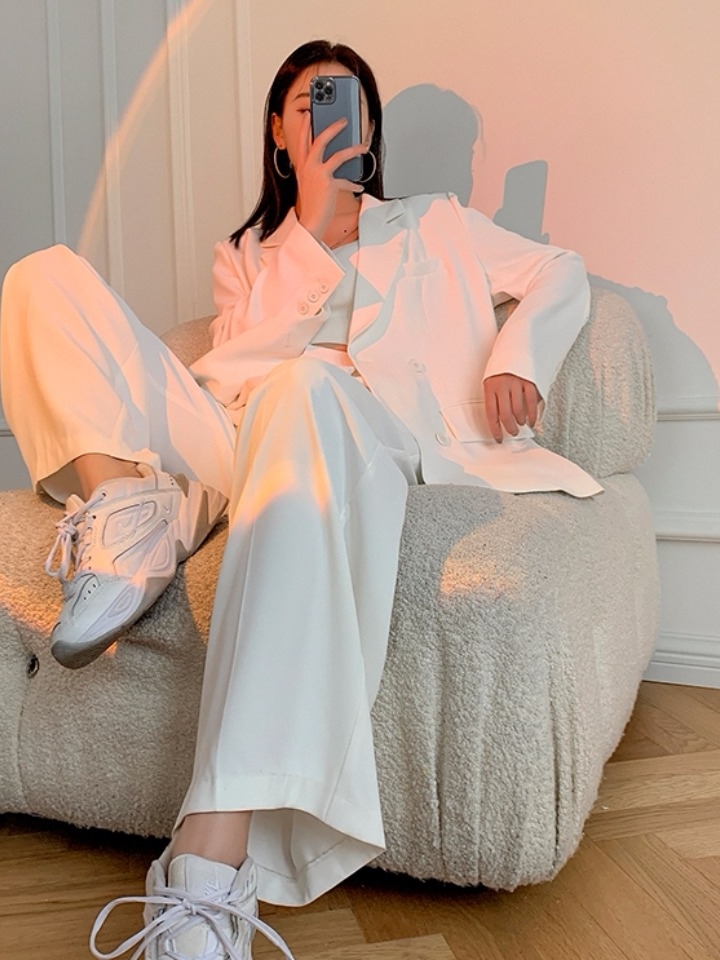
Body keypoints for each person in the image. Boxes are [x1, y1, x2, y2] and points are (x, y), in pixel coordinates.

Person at [0, 38, 602, 960]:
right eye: (310, 102)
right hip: (237, 431)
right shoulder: (248, 255)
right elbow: (236, 363)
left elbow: (561, 270)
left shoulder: (437, 223)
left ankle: (208, 867)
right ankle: (127, 504)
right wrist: (312, 232)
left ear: (368, 127)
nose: (331, 115)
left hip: (358, 436)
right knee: (40, 276)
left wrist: (515, 357)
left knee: (306, 386)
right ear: (281, 135)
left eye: (348, 100)